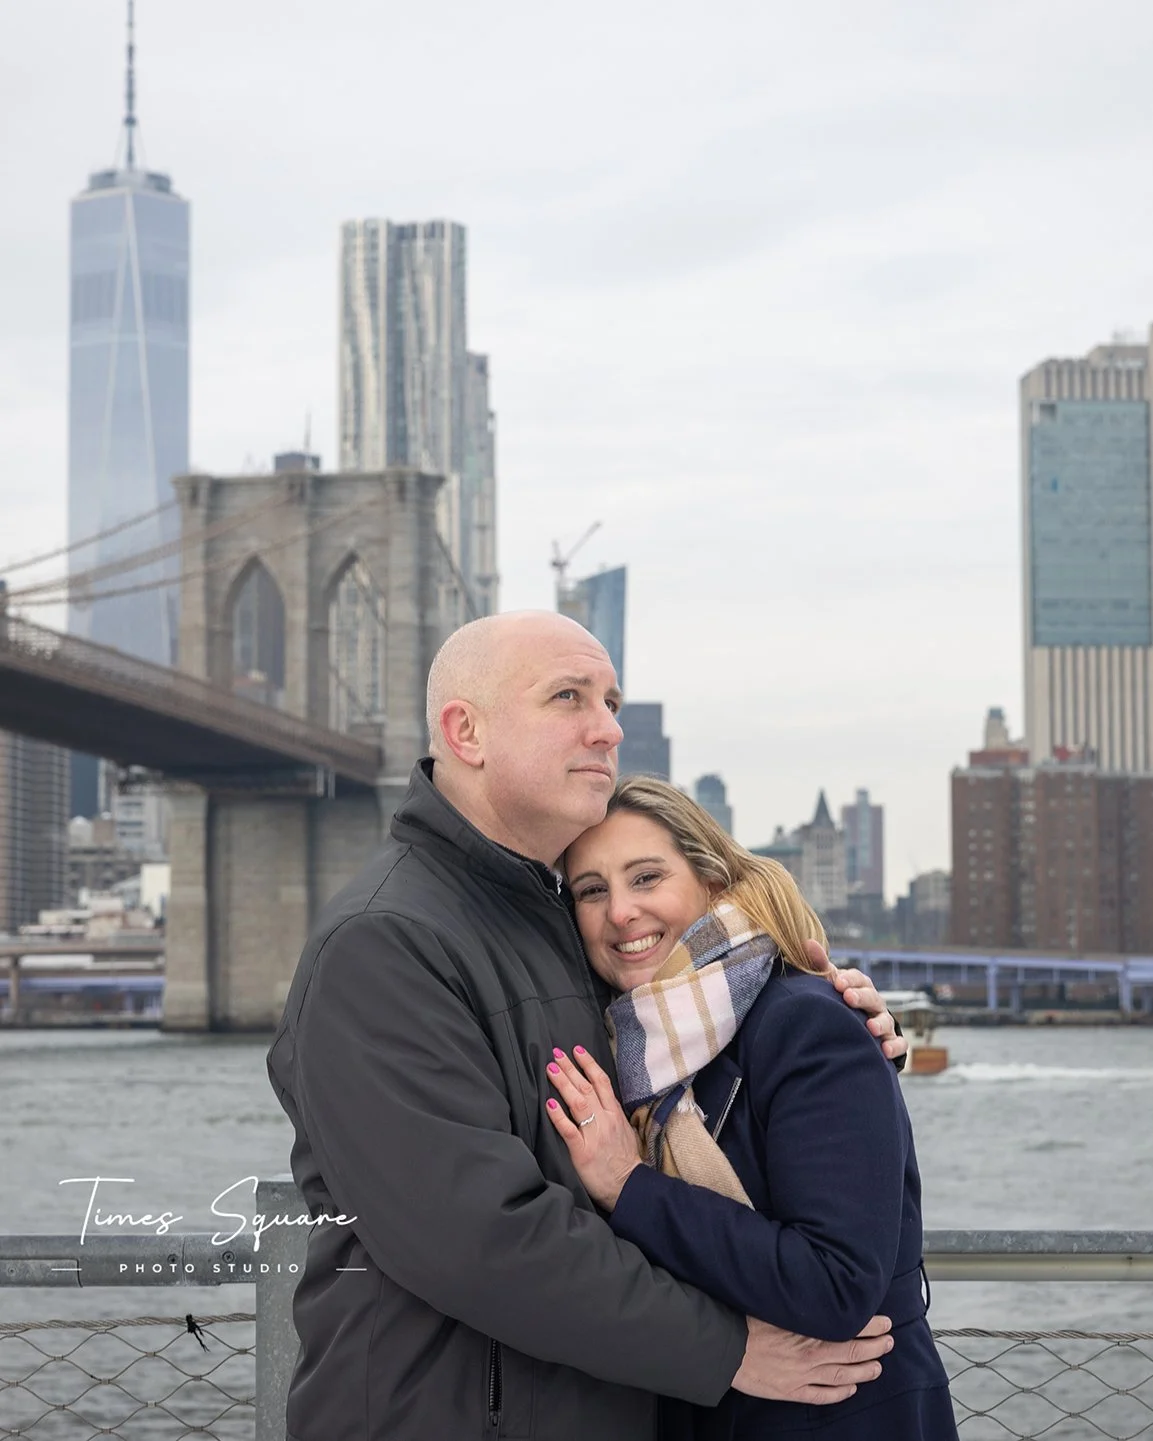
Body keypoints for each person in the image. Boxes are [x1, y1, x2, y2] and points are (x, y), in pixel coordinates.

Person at [267, 611, 907, 1441]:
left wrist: (834, 1016)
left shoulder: (563, 929)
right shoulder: (385, 942)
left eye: (610, 700)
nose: (607, 728)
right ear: (466, 730)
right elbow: (479, 1238)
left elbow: (726, 1069)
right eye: (567, 697)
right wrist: (725, 1350)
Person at [545, 775, 958, 1440]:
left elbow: (835, 1283)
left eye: (646, 877)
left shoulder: (804, 1022)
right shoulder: (632, 1049)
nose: (619, 910)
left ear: (710, 880)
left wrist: (630, 1186)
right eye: (592, 890)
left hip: (839, 1419)